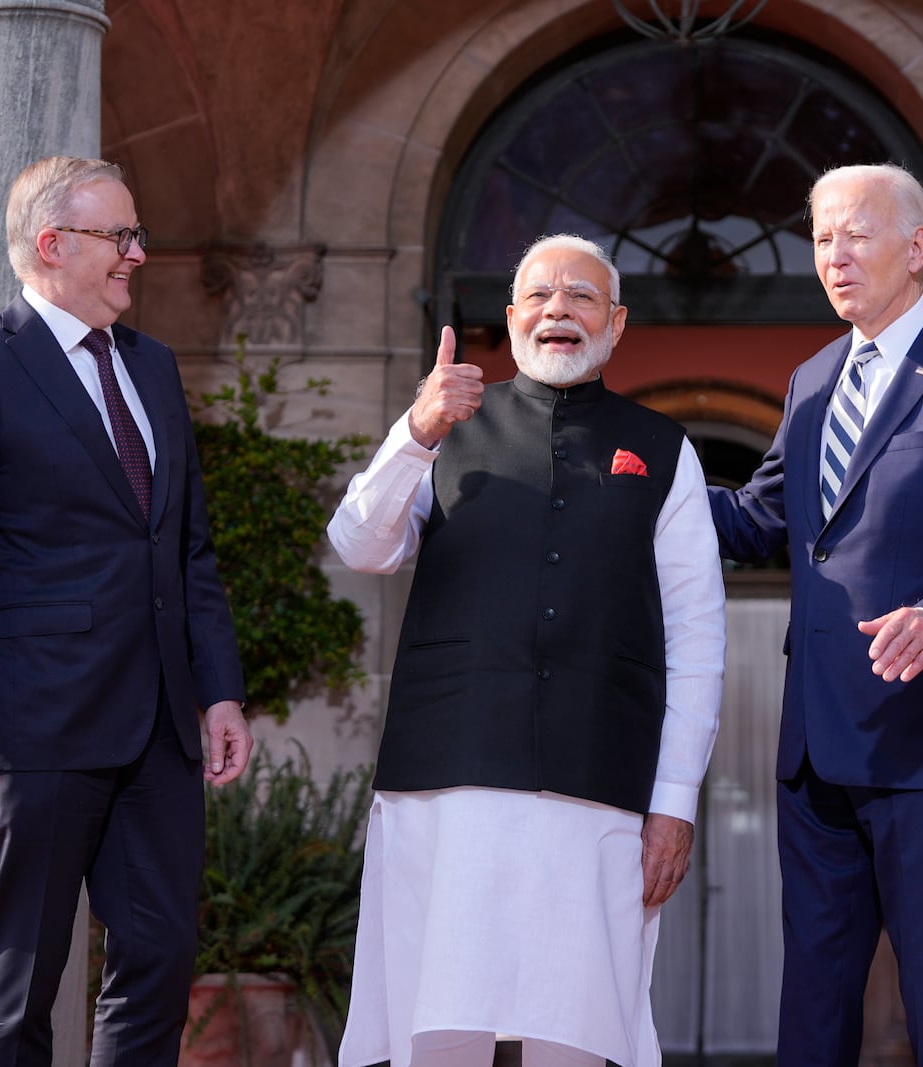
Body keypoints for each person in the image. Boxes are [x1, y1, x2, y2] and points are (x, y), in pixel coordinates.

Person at [327, 233, 726, 1067]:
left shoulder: (662, 449)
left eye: (581, 297)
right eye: (540, 296)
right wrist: (416, 429)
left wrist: (676, 800)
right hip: (447, 786)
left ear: (615, 322)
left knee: (573, 1036)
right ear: (511, 319)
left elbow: (697, 635)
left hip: (596, 792)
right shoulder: (442, 428)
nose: (559, 310)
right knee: (439, 1034)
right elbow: (360, 546)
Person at [705, 162, 923, 1066]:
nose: (835, 255)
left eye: (855, 234)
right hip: (815, 741)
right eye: (821, 237)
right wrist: (645, 481)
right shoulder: (811, 379)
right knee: (814, 998)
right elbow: (758, 520)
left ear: (916, 245)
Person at [0, 155, 252, 1066]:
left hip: (162, 730)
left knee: (160, 966)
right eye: (119, 236)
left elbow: (187, 549)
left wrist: (219, 690)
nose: (138, 253)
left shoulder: (153, 366)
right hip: (38, 725)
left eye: (137, 234)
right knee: (18, 983)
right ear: (52, 245)